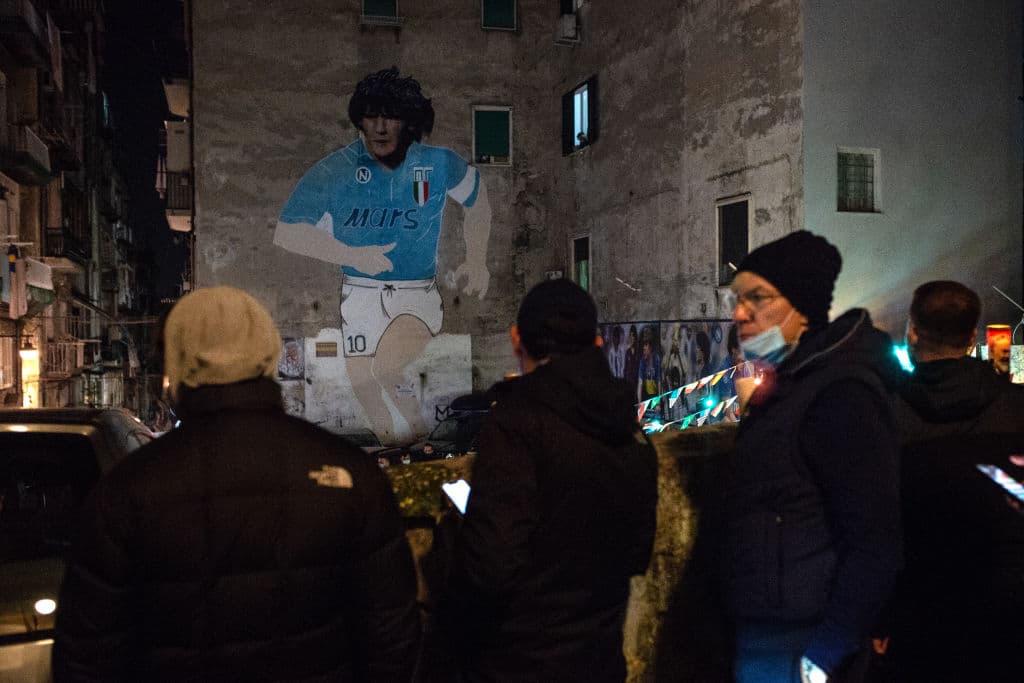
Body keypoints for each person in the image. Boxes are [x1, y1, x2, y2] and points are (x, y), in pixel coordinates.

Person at [53, 287, 420, 682]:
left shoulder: (127, 492)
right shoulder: (351, 476)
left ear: (176, 362)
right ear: (270, 352)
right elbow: (392, 644)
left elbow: (87, 658)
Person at [434, 279, 658, 682]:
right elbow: (637, 550)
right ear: (597, 342)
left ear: (517, 340)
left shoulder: (518, 420)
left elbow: (490, 567)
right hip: (601, 657)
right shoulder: (623, 420)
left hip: (521, 661)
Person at [713, 231, 903, 683]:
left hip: (802, 644)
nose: (740, 313)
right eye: (738, 299)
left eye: (758, 298)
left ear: (802, 308)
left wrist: (824, 655)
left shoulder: (839, 395)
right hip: (769, 635)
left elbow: (875, 541)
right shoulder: (791, 386)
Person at [274, 66, 491, 443]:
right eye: (370, 116)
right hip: (358, 292)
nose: (379, 126)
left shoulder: (437, 163)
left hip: (415, 293)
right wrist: (351, 254)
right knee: (362, 380)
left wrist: (477, 260)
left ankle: (419, 439)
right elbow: (288, 230)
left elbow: (478, 200)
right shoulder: (335, 169)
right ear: (359, 120)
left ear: (407, 122)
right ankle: (394, 448)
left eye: (389, 116)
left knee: (386, 368)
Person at [886, 280, 1024, 681]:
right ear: (972, 336)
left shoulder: (884, 413)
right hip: (1005, 596)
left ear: (912, 333)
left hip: (918, 599)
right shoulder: (1015, 408)